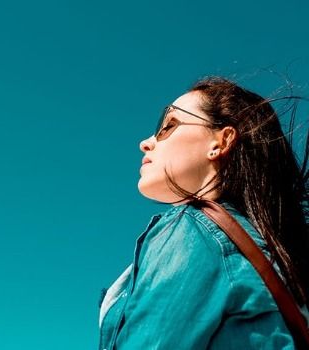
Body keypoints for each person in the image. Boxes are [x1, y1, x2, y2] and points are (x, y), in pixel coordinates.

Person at [98, 76, 309, 349]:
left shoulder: (192, 229)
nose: (146, 142)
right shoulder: (279, 258)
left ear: (221, 142)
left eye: (168, 126)